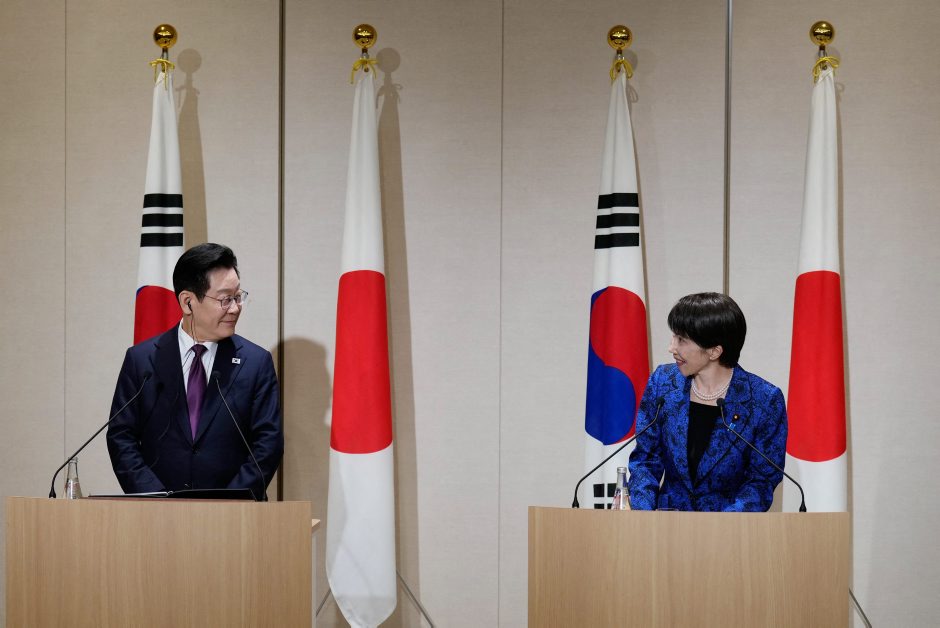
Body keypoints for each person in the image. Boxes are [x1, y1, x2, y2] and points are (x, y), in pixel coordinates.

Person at [107, 243, 283, 498]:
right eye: (225, 299)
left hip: (235, 514)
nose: (235, 308)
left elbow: (268, 443)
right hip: (156, 513)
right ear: (188, 302)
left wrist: (229, 503)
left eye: (237, 296)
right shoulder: (142, 360)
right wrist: (157, 500)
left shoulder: (256, 363)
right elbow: (121, 437)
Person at [628, 292, 786, 512]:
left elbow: (761, 480)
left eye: (681, 340)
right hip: (666, 526)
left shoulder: (764, 400)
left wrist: (719, 526)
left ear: (714, 351)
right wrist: (643, 516)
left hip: (730, 529)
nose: (672, 347)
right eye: (674, 337)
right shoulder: (662, 383)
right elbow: (646, 460)